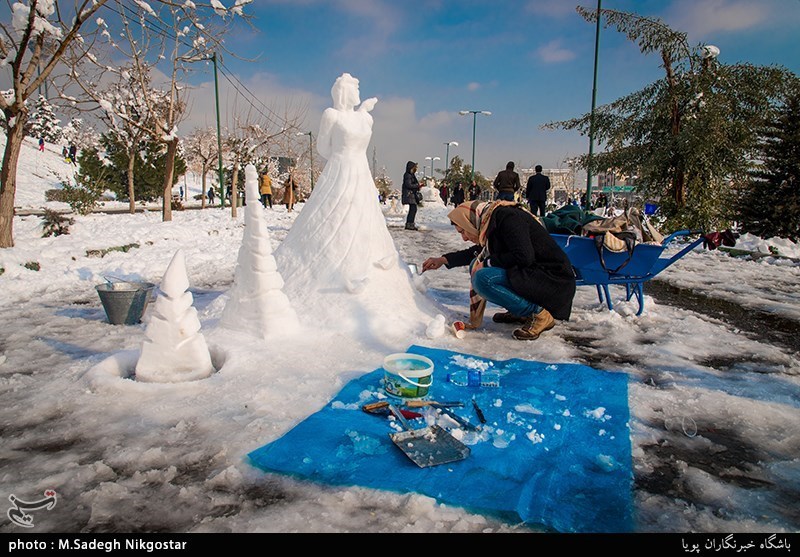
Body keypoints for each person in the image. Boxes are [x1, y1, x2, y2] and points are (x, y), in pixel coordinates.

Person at [421, 200, 576, 341]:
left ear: (471, 222)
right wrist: (443, 260)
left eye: (463, 231)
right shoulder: (491, 221)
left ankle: (538, 314)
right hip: (535, 277)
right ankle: (520, 312)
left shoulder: (509, 219)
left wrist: (489, 262)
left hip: (553, 282)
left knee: (483, 278)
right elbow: (478, 252)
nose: (464, 238)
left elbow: (524, 257)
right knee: (476, 264)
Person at [401, 160, 422, 230]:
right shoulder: (408, 175)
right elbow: (409, 185)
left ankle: (410, 224)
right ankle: (409, 224)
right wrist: (417, 185)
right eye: (414, 168)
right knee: (413, 209)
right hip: (409, 195)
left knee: (413, 209)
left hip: (411, 195)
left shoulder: (411, 175)